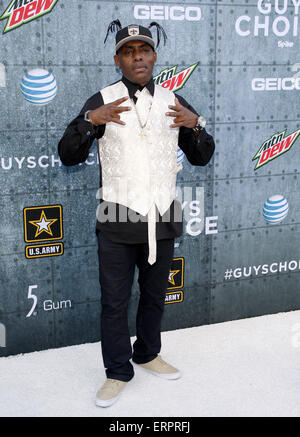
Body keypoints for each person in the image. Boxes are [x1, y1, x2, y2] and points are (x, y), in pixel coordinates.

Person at [58, 21, 215, 408]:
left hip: (161, 217)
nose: (137, 57)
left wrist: (196, 128)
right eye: (128, 51)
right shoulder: (103, 99)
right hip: (116, 217)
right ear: (118, 60)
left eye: (143, 49)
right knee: (114, 302)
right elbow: (68, 154)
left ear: (154, 56)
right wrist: (89, 122)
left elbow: (202, 156)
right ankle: (117, 371)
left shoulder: (173, 100)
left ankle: (146, 353)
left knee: (154, 296)